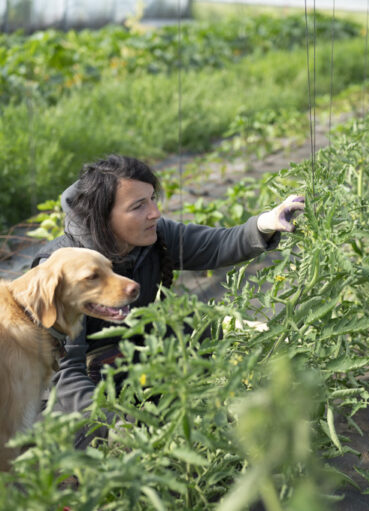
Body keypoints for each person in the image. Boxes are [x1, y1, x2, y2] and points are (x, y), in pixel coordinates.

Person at [32, 154, 305, 447]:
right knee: (88, 444)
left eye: (152, 199)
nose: (155, 213)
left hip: (131, 359)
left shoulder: (152, 237)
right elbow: (64, 375)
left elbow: (214, 245)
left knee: (196, 331)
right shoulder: (64, 272)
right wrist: (115, 423)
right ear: (103, 216)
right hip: (83, 386)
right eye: (139, 206)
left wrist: (265, 223)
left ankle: (169, 414)